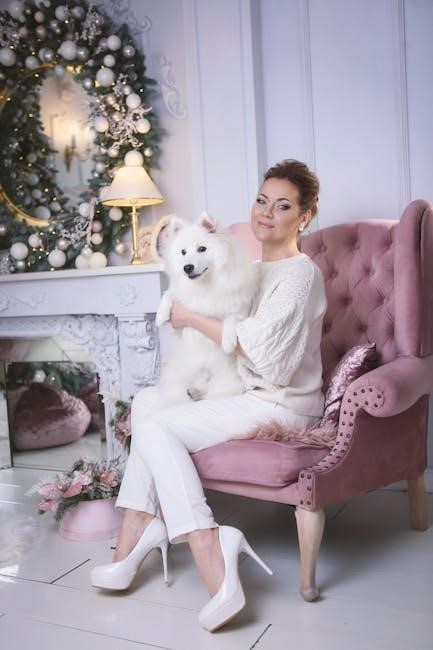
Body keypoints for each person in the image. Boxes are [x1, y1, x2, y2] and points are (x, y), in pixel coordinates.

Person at [91, 159, 327, 632]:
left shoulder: (300, 275)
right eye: (261, 200)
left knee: (156, 427)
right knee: (146, 403)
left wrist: (190, 318)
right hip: (244, 391)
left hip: (282, 403)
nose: (266, 213)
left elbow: (265, 355)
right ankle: (137, 529)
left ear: (303, 217)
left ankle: (206, 540)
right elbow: (204, 302)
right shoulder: (250, 269)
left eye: (282, 206)